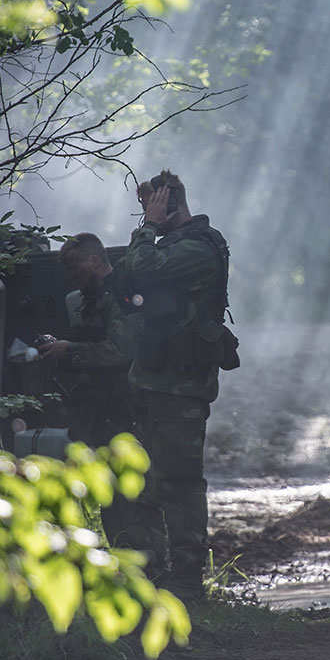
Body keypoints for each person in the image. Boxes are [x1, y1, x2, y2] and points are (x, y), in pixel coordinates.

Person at [120, 169, 234, 601]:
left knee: (182, 484)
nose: (146, 212)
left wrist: (147, 227)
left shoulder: (197, 249)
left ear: (169, 201)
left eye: (152, 202)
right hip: (157, 382)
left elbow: (144, 270)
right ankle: (159, 572)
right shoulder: (173, 245)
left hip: (180, 389)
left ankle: (188, 581)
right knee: (153, 483)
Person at [38, 230, 142, 546]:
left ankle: (148, 569)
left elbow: (121, 351)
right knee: (111, 498)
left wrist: (71, 350)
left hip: (126, 412)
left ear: (94, 262)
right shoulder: (93, 301)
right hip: (103, 412)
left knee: (131, 501)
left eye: (76, 269)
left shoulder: (119, 298)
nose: (72, 278)